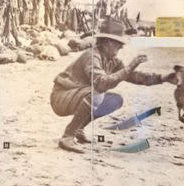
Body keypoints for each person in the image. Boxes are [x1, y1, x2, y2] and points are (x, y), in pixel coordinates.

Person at [50, 19, 171, 153]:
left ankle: (78, 128)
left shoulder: (111, 60)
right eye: (118, 44)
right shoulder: (91, 56)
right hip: (60, 97)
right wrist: (130, 66)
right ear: (107, 43)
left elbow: (134, 76)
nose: (121, 47)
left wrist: (164, 78)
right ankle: (68, 135)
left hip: (74, 95)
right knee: (97, 95)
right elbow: (101, 84)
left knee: (115, 100)